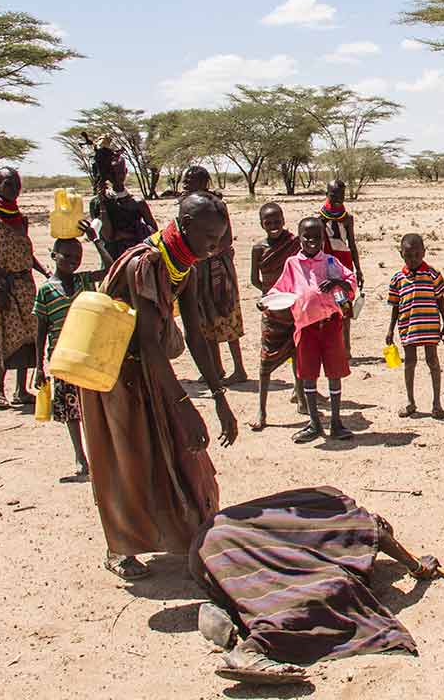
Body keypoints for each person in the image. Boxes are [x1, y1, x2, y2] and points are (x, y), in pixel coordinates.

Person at [80, 190, 240, 580]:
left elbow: (197, 334)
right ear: (185, 227)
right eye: (209, 237)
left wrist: (219, 397)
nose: (215, 246)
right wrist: (184, 406)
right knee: (128, 457)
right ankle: (119, 546)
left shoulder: (187, 262)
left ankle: (185, 533)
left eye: (219, 238)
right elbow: (150, 345)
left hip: (149, 373)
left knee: (173, 452)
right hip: (117, 374)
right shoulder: (148, 264)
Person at [190, 487, 439, 685]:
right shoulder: (354, 517)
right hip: (228, 542)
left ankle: (224, 608)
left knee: (256, 575)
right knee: (322, 590)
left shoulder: (317, 503)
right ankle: (252, 649)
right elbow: (377, 533)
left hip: (204, 547)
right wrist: (418, 566)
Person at [33, 220, 114, 482]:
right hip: (62, 358)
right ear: (53, 255)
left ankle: (100, 455)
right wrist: (38, 367)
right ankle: (80, 456)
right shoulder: (45, 291)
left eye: (77, 256)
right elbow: (41, 330)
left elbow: (110, 268)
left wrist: (95, 239)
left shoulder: (83, 281)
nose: (72, 261)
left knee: (94, 408)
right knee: (71, 412)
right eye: (66, 255)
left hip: (88, 355)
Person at [267, 217, 358, 443]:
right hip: (306, 327)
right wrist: (266, 301)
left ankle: (336, 422)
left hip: (330, 324)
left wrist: (338, 283)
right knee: (308, 375)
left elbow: (351, 282)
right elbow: (280, 290)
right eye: (307, 237)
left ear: (322, 240)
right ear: (299, 238)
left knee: (334, 373)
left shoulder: (330, 262)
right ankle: (314, 423)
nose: (312, 241)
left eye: (317, 237)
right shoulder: (292, 264)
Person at [0, 166, 50, 410]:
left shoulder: (21, 219)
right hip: (3, 286)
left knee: (30, 334)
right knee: (5, 336)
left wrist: (46, 272)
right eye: (9, 183)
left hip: (25, 284)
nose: (14, 188)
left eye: (17, 183)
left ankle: (21, 390)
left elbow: (27, 254)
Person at [182, 166, 247, 385]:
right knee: (204, 318)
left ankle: (239, 369)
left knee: (226, 313)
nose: (186, 182)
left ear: (204, 182)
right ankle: (216, 368)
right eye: (185, 178)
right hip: (196, 267)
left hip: (217, 267)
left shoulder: (216, 206)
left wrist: (207, 251)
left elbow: (226, 239)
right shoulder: (186, 205)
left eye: (191, 179)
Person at [248, 202, 304, 431]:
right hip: (272, 310)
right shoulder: (258, 249)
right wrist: (268, 294)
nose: (274, 226)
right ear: (262, 224)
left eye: (277, 221)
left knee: (298, 353)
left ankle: (300, 397)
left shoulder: (294, 243)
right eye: (268, 222)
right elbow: (254, 279)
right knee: (265, 362)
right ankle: (262, 410)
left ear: (283, 219)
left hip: (294, 307)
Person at [386, 233, 444, 419]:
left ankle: (437, 404)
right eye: (408, 256)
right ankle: (410, 402)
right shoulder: (397, 279)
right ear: (401, 254)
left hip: (430, 325)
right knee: (410, 362)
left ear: (424, 253)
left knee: (433, 361)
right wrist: (390, 330)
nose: (413, 259)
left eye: (416, 255)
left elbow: (441, 300)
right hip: (408, 326)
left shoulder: (433, 275)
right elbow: (395, 306)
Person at [320, 180, 364, 356]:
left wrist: (358, 270)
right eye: (333, 195)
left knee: (344, 307)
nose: (337, 199)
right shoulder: (320, 219)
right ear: (326, 194)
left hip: (344, 267)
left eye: (341, 196)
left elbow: (352, 245)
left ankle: (346, 348)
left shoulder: (347, 219)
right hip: (326, 267)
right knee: (326, 308)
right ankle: (329, 347)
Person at [88, 151, 157, 261]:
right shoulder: (97, 203)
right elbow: (104, 235)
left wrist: (133, 234)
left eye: (120, 172)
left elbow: (154, 231)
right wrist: (102, 203)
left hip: (137, 257)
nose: (116, 176)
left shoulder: (137, 202)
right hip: (111, 258)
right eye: (112, 173)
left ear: (126, 171)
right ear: (106, 175)